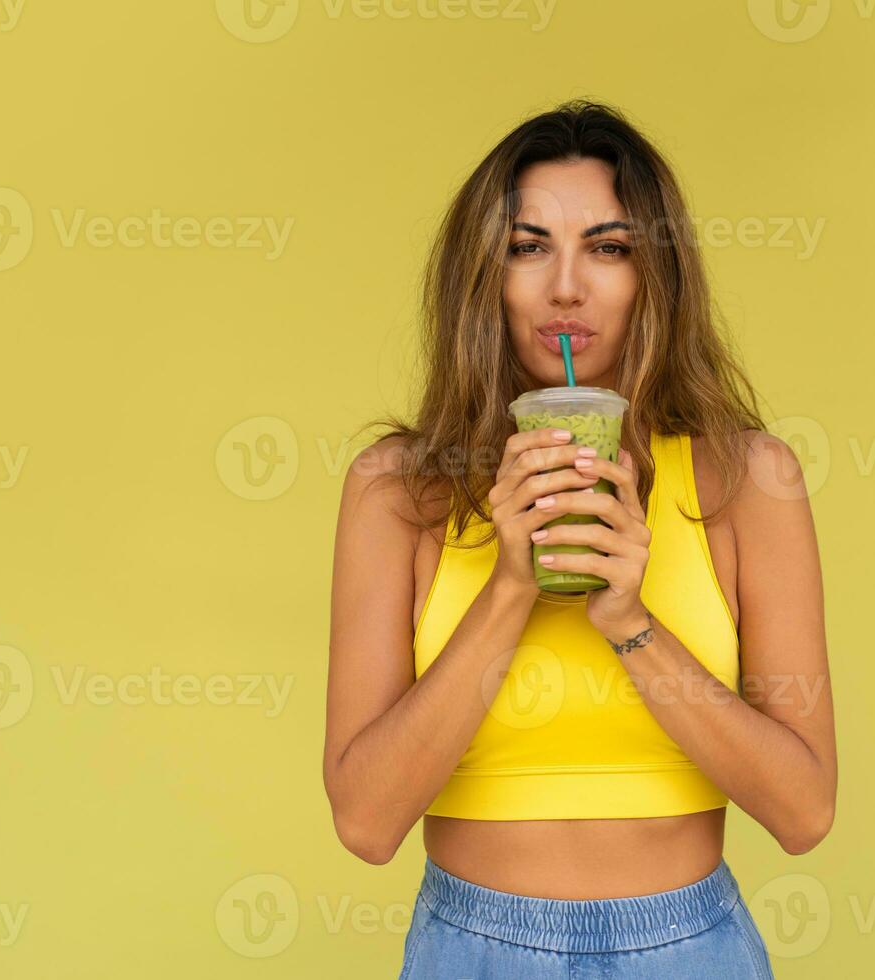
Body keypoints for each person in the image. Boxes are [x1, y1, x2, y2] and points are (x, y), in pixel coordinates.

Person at [324, 98, 835, 978]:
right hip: (469, 950)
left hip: (689, 950)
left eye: (609, 247)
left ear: (656, 276)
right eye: (528, 247)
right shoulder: (397, 491)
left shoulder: (751, 482)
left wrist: (630, 620)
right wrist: (511, 588)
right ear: (483, 277)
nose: (567, 286)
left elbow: (804, 811)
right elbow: (366, 823)